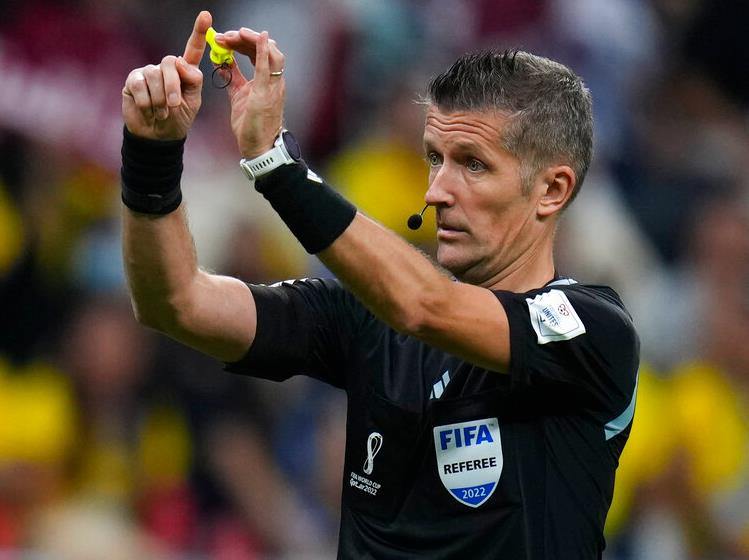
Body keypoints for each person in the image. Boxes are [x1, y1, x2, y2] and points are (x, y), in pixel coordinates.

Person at [120, 10, 639, 559]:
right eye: (435, 159)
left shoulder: (592, 331)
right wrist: (152, 157)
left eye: (473, 165)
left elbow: (425, 306)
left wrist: (277, 164)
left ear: (552, 190)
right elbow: (176, 303)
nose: (436, 191)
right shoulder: (369, 317)